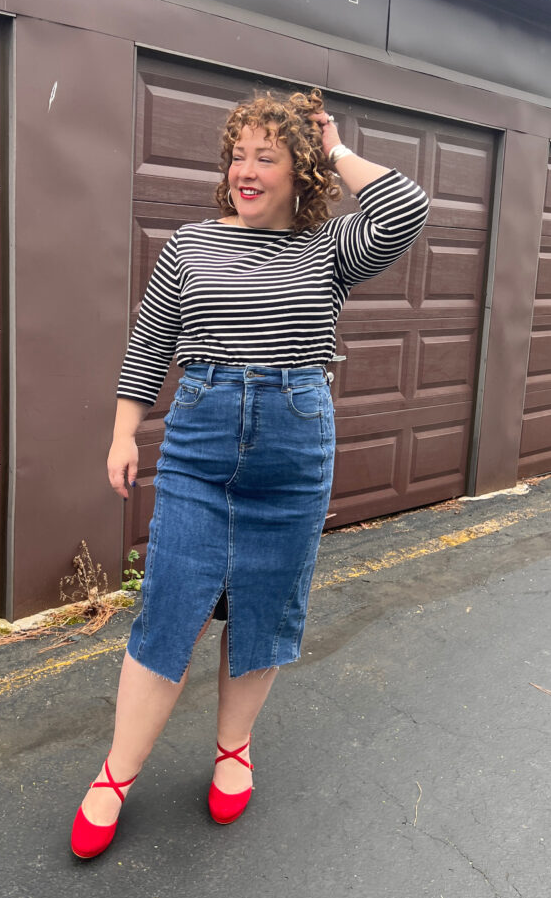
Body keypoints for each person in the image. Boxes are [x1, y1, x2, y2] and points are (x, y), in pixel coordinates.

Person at [70, 87, 430, 858]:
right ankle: (115, 775)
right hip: (199, 447)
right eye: (239, 153)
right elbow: (149, 343)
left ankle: (234, 750)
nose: (247, 169)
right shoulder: (191, 245)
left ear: (299, 172)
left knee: (265, 606)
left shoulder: (328, 247)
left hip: (293, 452)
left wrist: (331, 145)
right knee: (173, 605)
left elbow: (405, 206)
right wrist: (123, 434)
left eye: (267, 156)